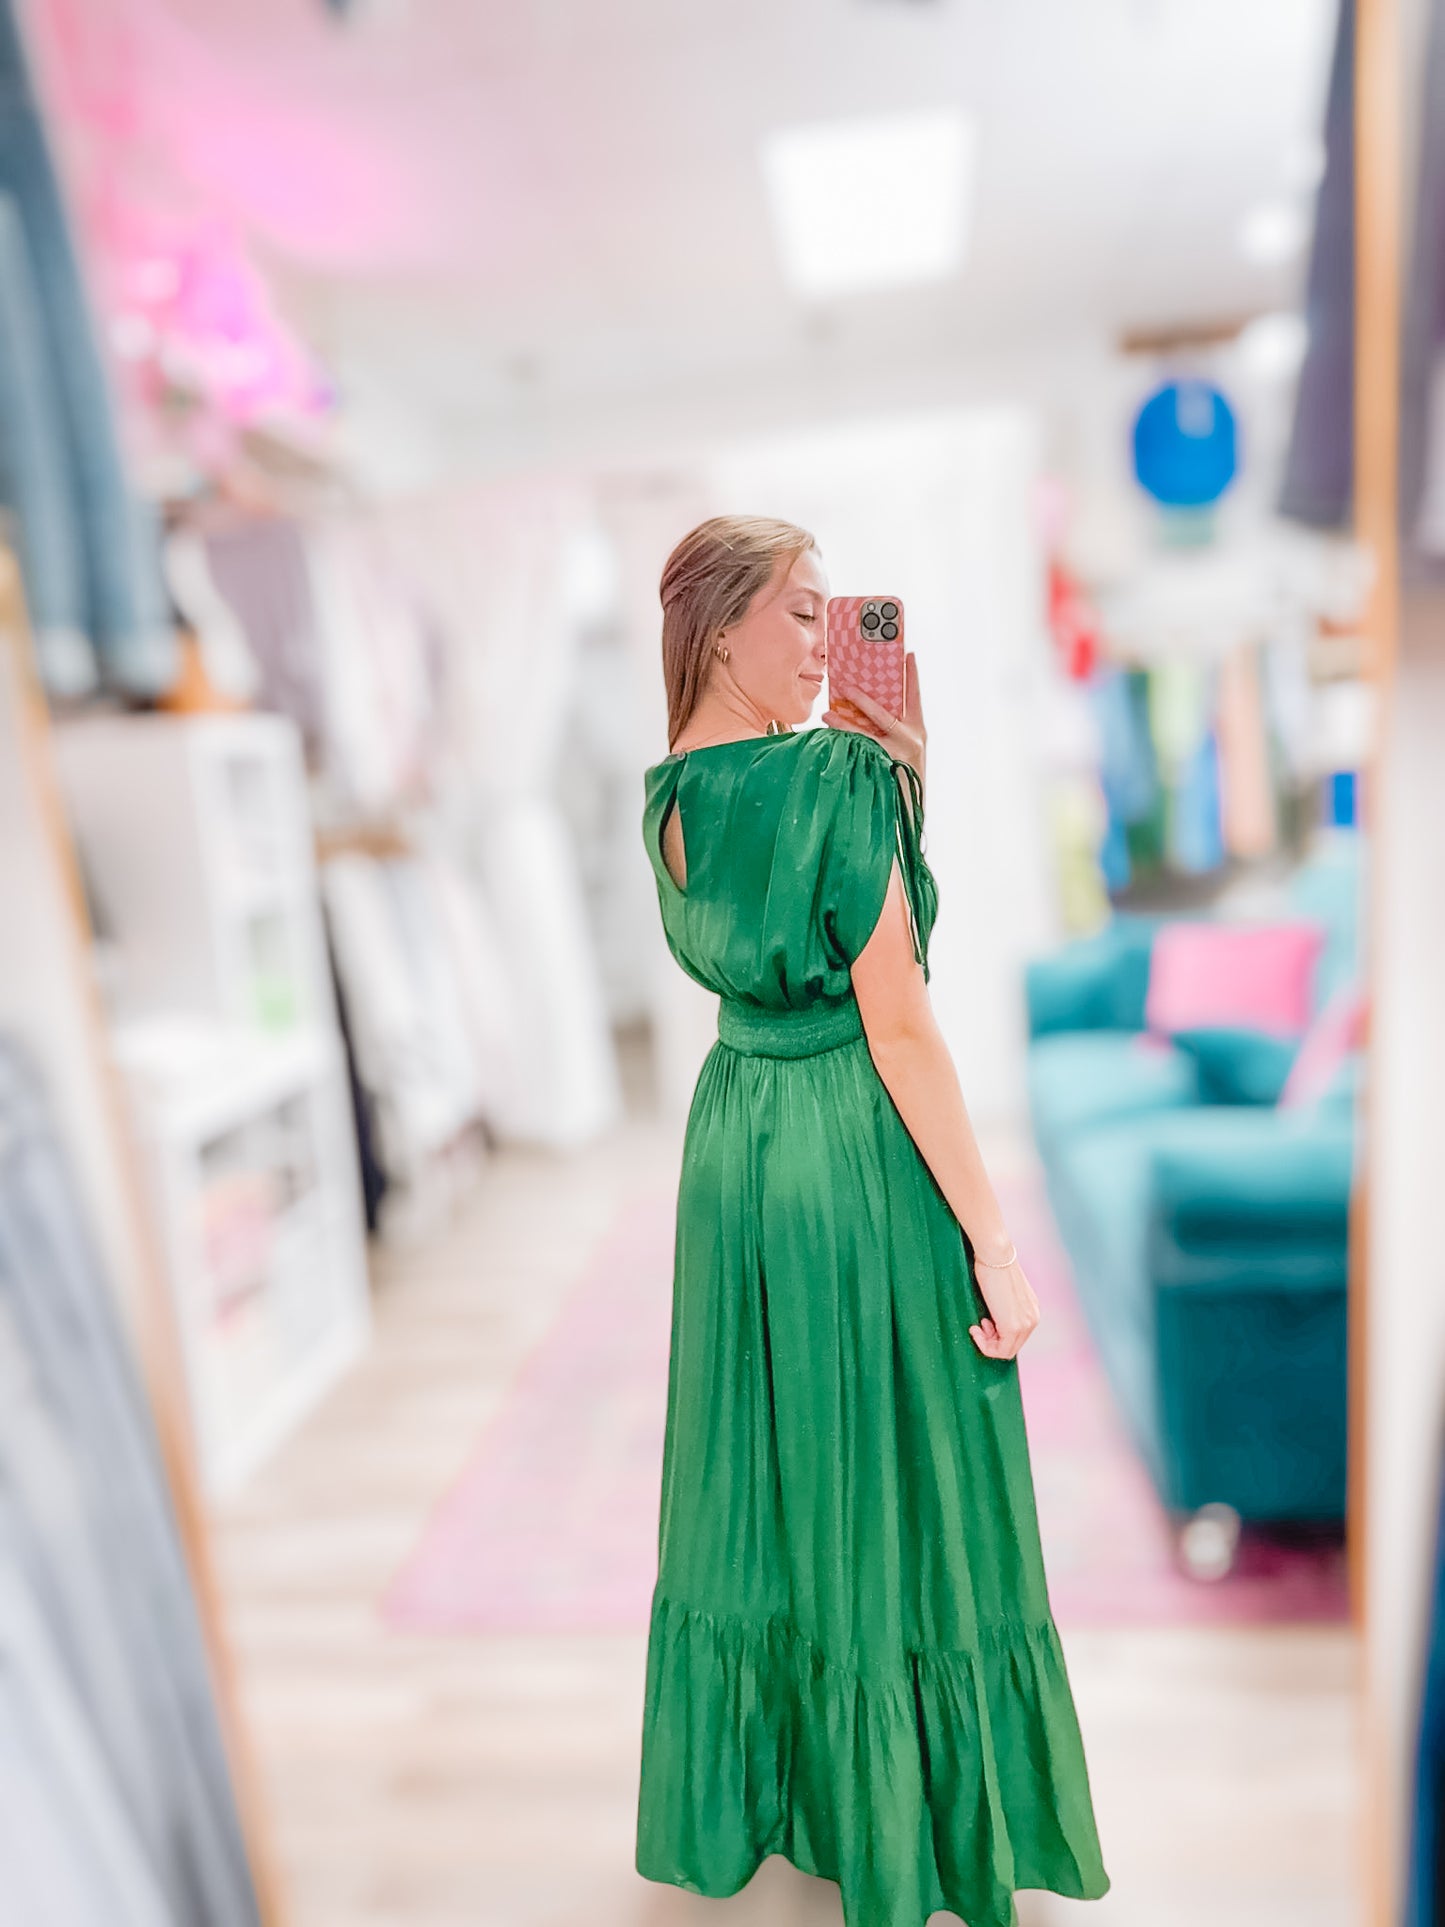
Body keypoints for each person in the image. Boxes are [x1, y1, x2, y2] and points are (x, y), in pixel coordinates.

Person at [635, 514, 1110, 1927]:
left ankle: (797, 1792)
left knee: (773, 1478)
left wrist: (890, 774)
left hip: (733, 1143)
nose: (821, 643)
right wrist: (996, 1241)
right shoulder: (841, 774)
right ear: (718, 630)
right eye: (798, 615)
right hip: (848, 1139)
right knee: (914, 1470)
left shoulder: (662, 795)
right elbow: (900, 1029)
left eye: (832, 618)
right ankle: (913, 1813)